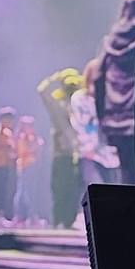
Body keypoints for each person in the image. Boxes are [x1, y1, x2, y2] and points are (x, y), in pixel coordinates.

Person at [87, 0, 135, 183]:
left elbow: (98, 81)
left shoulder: (109, 45)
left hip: (114, 123)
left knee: (126, 174)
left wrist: (102, 119)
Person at [38, 68, 86, 227]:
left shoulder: (80, 107)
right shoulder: (58, 108)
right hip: (62, 155)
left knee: (73, 190)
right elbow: (42, 91)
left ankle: (68, 221)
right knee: (60, 189)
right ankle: (59, 221)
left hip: (78, 154)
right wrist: (56, 77)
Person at [72, 57, 119, 189]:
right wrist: (90, 150)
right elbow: (81, 126)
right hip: (91, 155)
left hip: (113, 157)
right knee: (95, 190)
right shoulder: (80, 99)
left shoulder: (113, 99)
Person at [13, 115, 42, 224]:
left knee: (30, 191)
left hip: (31, 167)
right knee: (24, 192)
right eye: (29, 125)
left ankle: (29, 216)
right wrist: (34, 146)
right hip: (25, 167)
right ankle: (23, 216)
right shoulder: (22, 138)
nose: (31, 128)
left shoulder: (32, 137)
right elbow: (25, 151)